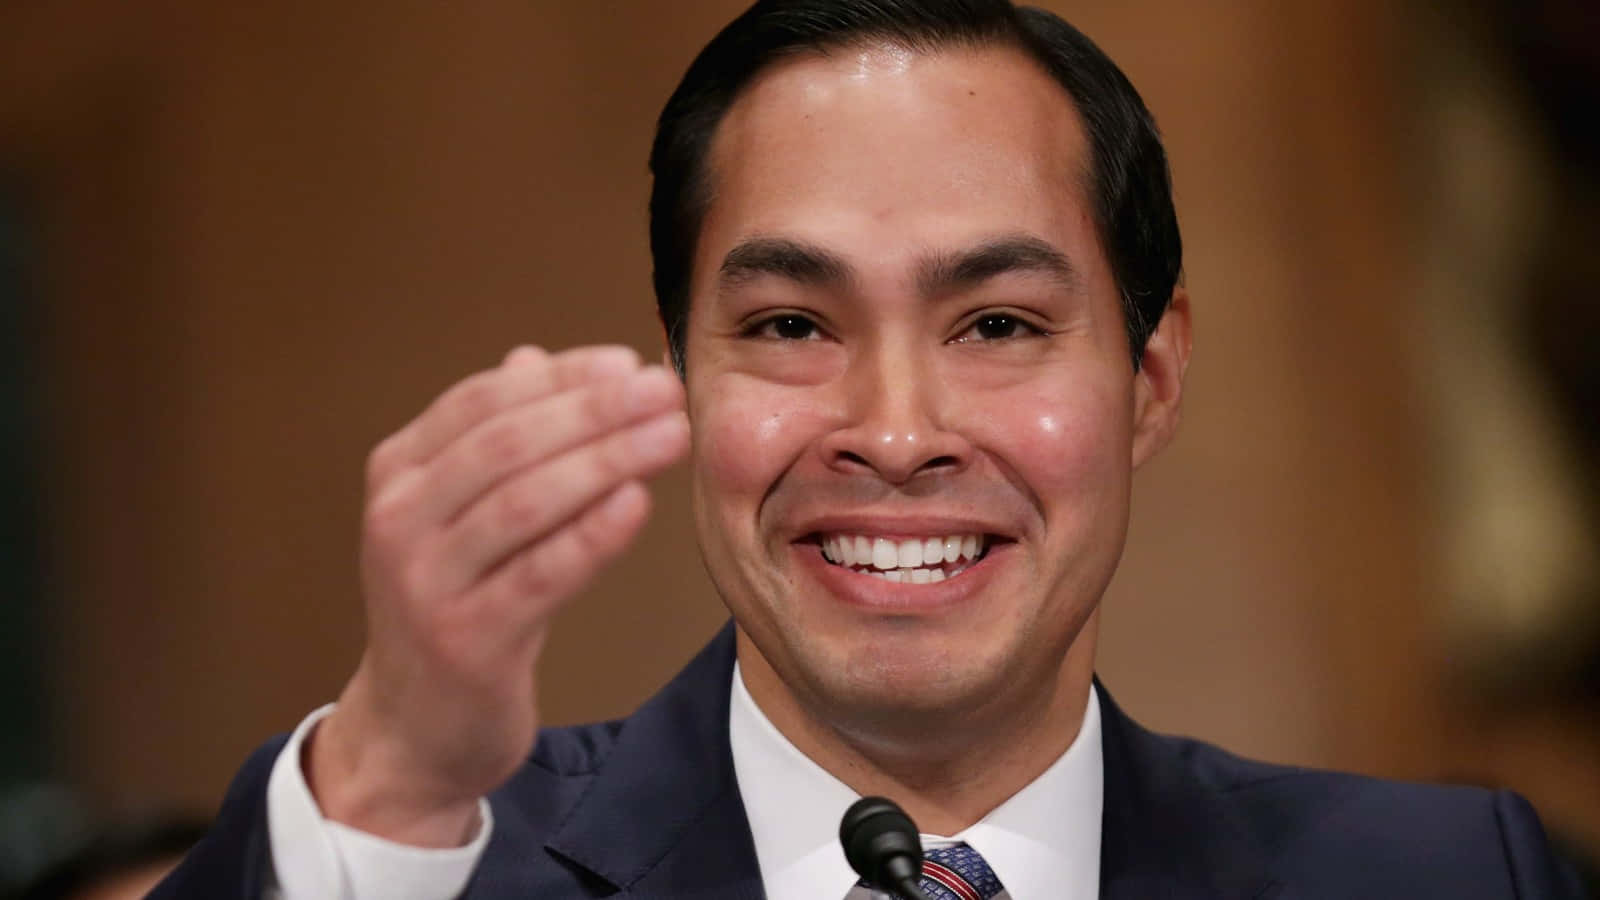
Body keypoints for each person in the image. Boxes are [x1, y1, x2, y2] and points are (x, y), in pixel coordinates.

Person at [150, 1, 1586, 898]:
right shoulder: (428, 863)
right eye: (787, 325)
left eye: (1000, 324)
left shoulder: (1449, 875)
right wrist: (398, 780)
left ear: (1149, 379)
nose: (895, 435)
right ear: (681, 378)